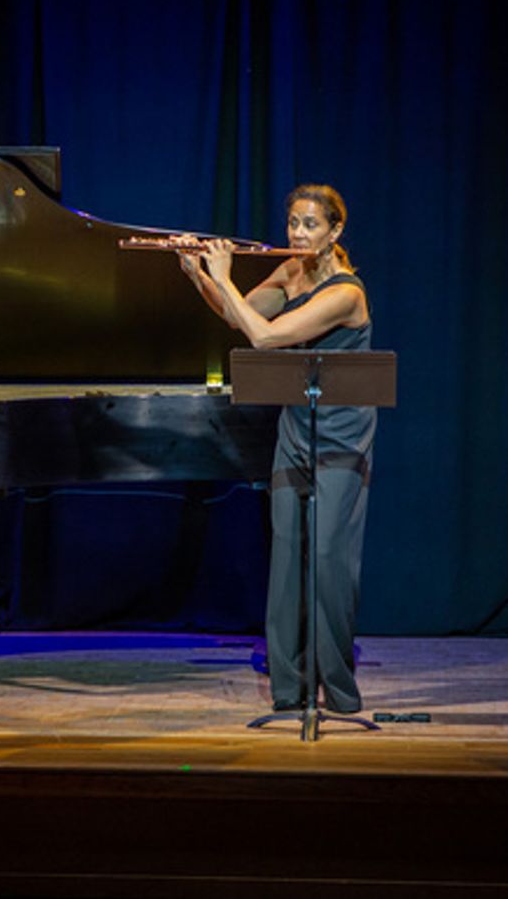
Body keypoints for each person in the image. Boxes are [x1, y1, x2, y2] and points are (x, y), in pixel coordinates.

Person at [177, 184, 374, 714]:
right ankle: (289, 689)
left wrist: (224, 276)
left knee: (328, 559)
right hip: (296, 426)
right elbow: (237, 316)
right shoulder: (291, 272)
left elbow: (264, 338)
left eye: (311, 224)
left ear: (335, 230)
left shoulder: (346, 294)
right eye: (293, 223)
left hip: (342, 435)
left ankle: (338, 689)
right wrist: (200, 276)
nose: (298, 233)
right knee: (286, 557)